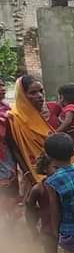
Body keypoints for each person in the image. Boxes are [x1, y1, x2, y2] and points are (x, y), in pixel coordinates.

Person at [25, 154, 57, 253]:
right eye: (55, 167)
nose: (59, 170)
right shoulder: (38, 189)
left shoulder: (64, 184)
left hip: (65, 230)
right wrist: (33, 229)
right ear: (44, 169)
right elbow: (29, 211)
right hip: (48, 231)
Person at [0, 79, 18, 225]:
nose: (2, 88)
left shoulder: (7, 108)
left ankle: (10, 222)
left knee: (10, 186)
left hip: (8, 154)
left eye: (2, 85)